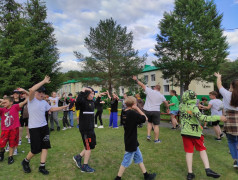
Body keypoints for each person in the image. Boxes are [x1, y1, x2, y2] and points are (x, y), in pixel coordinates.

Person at [21, 76, 68, 175]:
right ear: (36, 93)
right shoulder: (31, 100)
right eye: (40, 92)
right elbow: (31, 89)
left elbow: (52, 109)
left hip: (44, 127)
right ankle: (25, 161)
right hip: (34, 128)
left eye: (43, 93)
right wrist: (44, 81)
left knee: (45, 147)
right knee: (35, 150)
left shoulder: (44, 102)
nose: (42, 94)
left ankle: (42, 166)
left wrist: (63, 107)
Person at [179, 90, 227, 180]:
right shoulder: (193, 107)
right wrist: (218, 117)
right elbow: (202, 117)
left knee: (189, 152)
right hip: (195, 133)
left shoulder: (181, 106)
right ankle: (207, 169)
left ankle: (190, 173)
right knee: (202, 149)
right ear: (193, 97)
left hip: (185, 133)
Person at [114, 96, 156, 180]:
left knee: (139, 158)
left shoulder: (123, 112)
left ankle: (146, 175)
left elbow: (123, 122)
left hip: (129, 138)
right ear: (133, 104)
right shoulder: (132, 113)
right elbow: (145, 118)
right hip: (131, 141)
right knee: (126, 160)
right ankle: (118, 178)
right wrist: (137, 108)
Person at [132, 75, 168, 143]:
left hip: (147, 110)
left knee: (149, 123)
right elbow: (165, 102)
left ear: (154, 88)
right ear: (159, 89)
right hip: (156, 111)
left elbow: (142, 85)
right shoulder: (161, 95)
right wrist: (167, 108)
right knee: (156, 125)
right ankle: (156, 140)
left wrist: (136, 79)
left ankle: (148, 135)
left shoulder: (150, 91)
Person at [214, 72, 238, 168]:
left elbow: (219, 85)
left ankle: (236, 161)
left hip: (230, 120)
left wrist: (219, 77)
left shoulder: (227, 94)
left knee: (231, 141)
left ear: (232, 86)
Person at [73, 87, 96, 173]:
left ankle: (78, 157)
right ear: (86, 94)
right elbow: (77, 102)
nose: (93, 95)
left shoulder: (92, 102)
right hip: (85, 129)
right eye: (91, 93)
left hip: (91, 128)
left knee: (92, 145)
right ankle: (84, 166)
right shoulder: (82, 102)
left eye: (93, 93)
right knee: (88, 146)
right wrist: (82, 90)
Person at [0, 95, 28, 164]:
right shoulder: (2, 109)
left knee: (12, 144)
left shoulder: (15, 107)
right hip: (5, 130)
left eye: (5, 102)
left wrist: (27, 95)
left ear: (11, 102)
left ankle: (10, 156)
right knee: (1, 144)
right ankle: (1, 153)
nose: (4, 104)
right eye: (3, 102)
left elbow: (24, 102)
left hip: (14, 129)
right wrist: (1, 103)